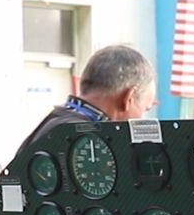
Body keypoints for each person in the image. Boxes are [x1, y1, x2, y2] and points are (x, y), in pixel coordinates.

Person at [16, 43, 153, 157]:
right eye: (145, 109)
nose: (142, 117)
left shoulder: (56, 124)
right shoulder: (88, 142)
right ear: (128, 98)